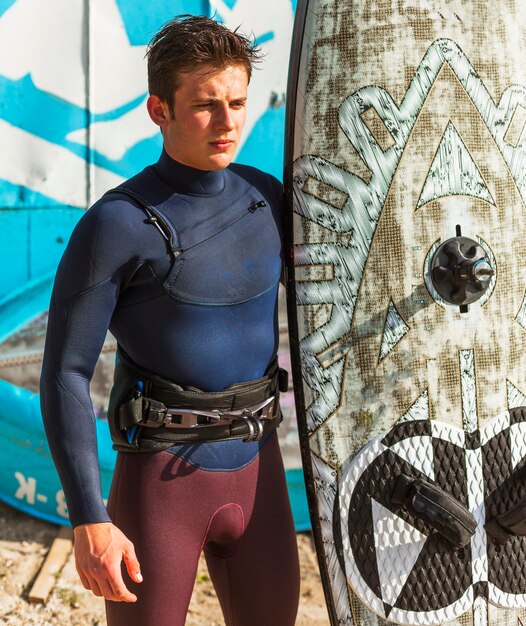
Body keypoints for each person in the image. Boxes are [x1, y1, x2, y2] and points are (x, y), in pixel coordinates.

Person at [40, 15, 300, 626]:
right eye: (207, 106)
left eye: (237, 102)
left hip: (260, 472)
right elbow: (66, 373)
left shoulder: (268, 199)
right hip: (161, 487)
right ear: (159, 109)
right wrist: (88, 520)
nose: (229, 122)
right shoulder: (117, 225)